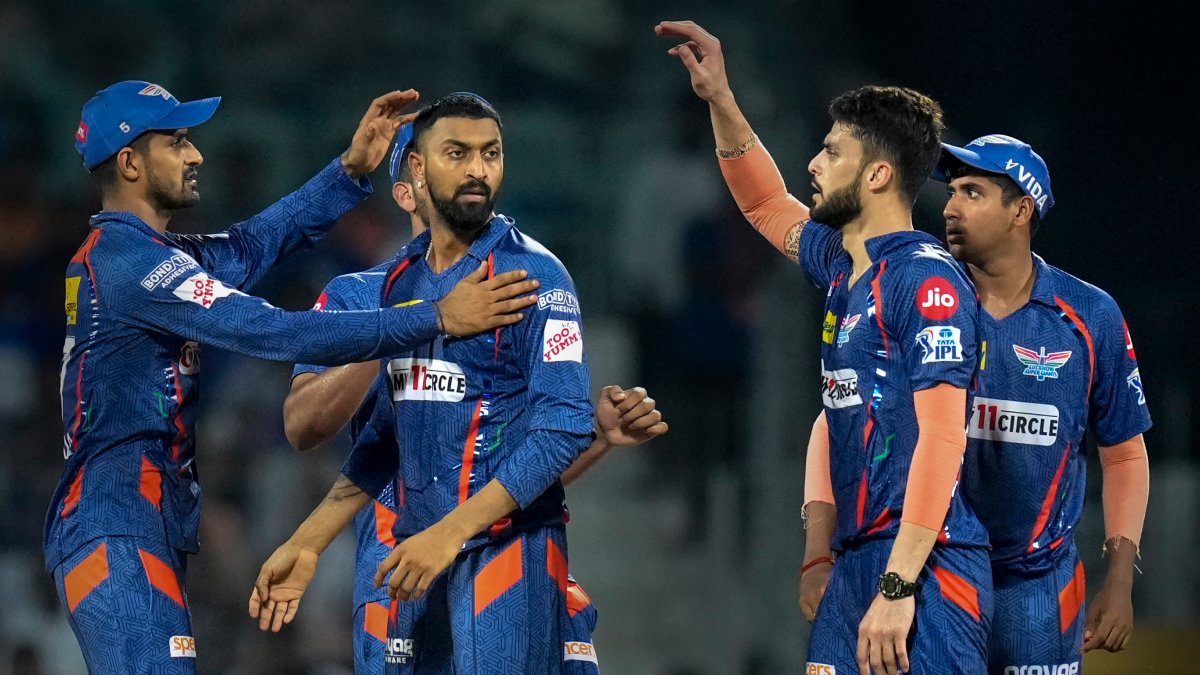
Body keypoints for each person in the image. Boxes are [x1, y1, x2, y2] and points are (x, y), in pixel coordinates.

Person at [47, 81, 539, 673]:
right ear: (129, 162)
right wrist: (434, 316)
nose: (195, 154)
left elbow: (253, 244)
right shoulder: (130, 264)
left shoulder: (146, 255)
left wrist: (348, 171)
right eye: (176, 142)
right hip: (115, 521)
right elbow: (276, 331)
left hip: (135, 521)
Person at [251, 125, 668, 673]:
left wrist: (597, 438)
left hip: (492, 548)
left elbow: (499, 462)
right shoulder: (357, 296)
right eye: (449, 158)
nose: (469, 172)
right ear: (408, 190)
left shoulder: (513, 288)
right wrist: (406, 324)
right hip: (391, 558)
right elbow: (303, 425)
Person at [658, 21, 991, 675]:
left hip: (928, 569)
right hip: (857, 558)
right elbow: (763, 202)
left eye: (832, 152)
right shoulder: (842, 262)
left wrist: (897, 586)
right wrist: (721, 98)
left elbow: (943, 437)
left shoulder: (926, 282)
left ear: (878, 174)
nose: (813, 164)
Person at [813, 134, 1145, 674]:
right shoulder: (923, 292)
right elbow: (839, 417)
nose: (950, 208)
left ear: (1021, 209)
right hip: (934, 571)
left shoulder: (1090, 315)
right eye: (951, 191)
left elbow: (1125, 453)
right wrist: (818, 554)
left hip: (1038, 590)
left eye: (972, 192)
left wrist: (1121, 580)